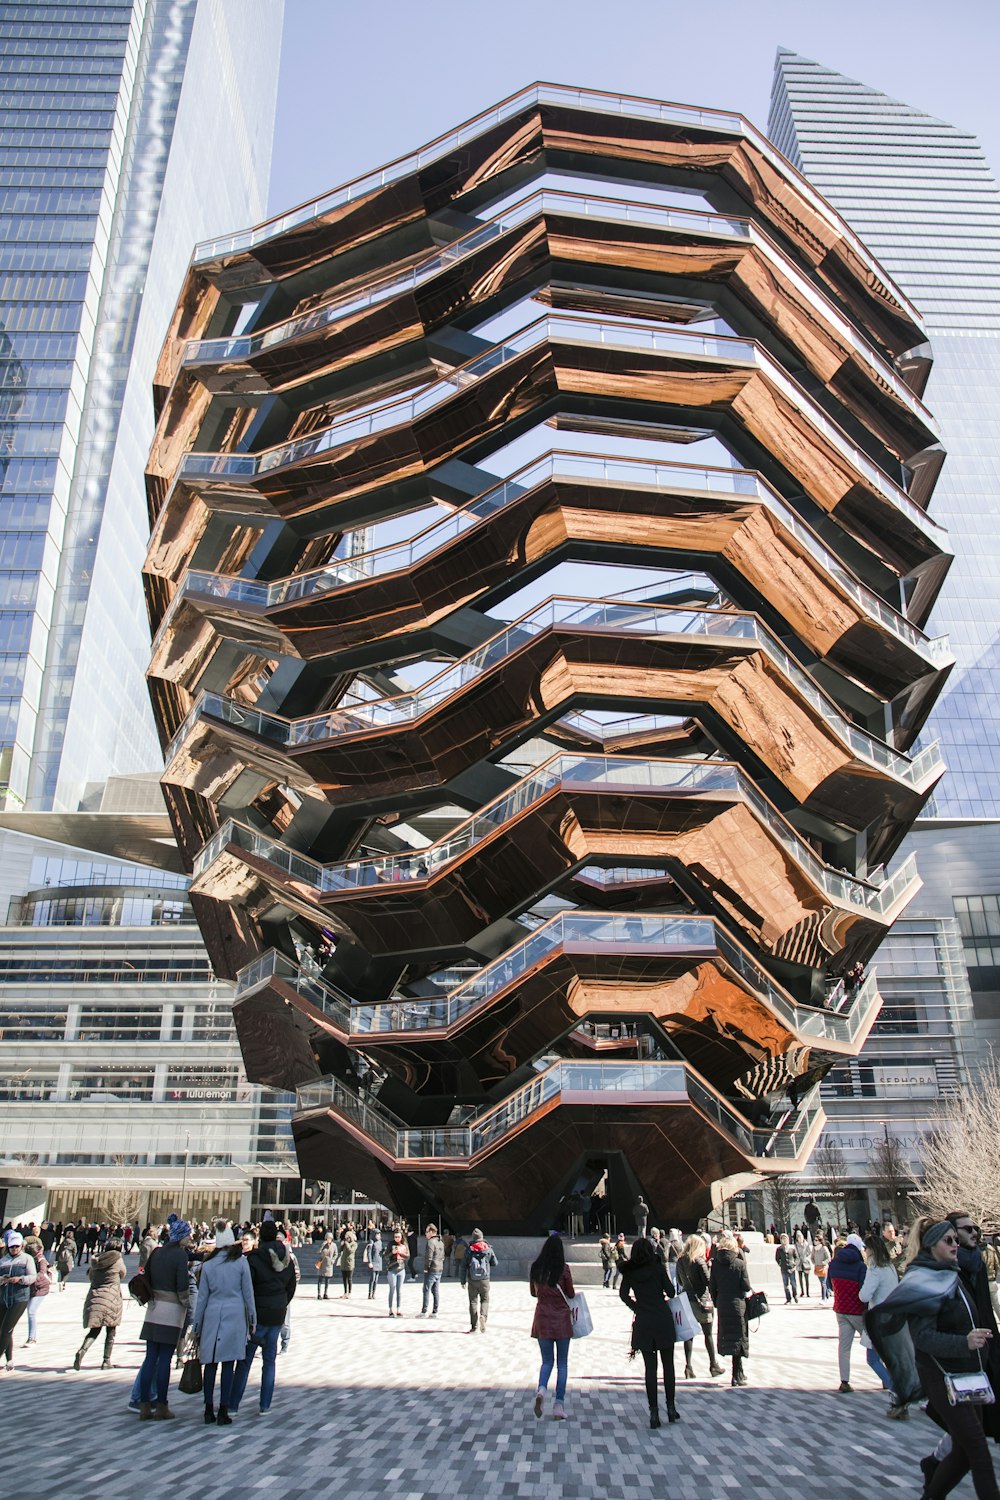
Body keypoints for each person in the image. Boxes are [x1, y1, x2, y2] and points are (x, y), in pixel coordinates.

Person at [869, 1218, 1000, 1500]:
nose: (956, 1245)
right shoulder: (924, 1280)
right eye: (949, 1240)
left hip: (968, 1376)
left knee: (966, 1453)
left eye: (956, 1238)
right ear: (931, 1245)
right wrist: (964, 1342)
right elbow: (924, 1338)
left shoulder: (952, 1274)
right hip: (943, 1377)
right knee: (977, 1449)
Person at [228, 1221, 295, 1415]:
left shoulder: (254, 1259)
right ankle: (265, 1404)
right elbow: (291, 1286)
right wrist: (281, 1302)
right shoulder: (287, 1258)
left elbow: (246, 1287)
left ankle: (233, 1405)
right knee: (270, 1360)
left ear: (260, 1237)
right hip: (277, 1313)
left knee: (245, 1360)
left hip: (257, 1314)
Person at [192, 1235, 256, 1425]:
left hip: (212, 1313)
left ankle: (208, 1408)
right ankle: (224, 1408)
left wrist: (197, 1325)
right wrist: (252, 1319)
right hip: (234, 1313)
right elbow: (248, 1293)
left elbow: (202, 1297)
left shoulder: (208, 1265)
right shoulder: (241, 1262)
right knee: (228, 1364)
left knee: (210, 1363)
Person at [619, 1234, 679, 1426]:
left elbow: (623, 1294)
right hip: (662, 1319)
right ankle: (670, 1408)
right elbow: (671, 1292)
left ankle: (653, 1413)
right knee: (668, 1366)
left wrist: (637, 1307)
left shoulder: (630, 1272)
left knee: (650, 1369)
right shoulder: (658, 1267)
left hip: (644, 1321)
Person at [137, 1218, 192, 1419]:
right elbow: (182, 1286)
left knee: (151, 1357)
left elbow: (147, 1276)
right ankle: (161, 1405)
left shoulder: (158, 1252)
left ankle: (144, 1404)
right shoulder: (180, 1256)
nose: (189, 1238)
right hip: (171, 1310)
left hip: (154, 1308)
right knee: (165, 1359)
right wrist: (188, 1304)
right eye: (187, 1234)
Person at [530, 1233, 575, 1421]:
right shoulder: (563, 1269)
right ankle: (558, 1405)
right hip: (562, 1320)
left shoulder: (536, 1268)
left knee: (547, 1361)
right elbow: (571, 1294)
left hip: (542, 1320)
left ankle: (541, 1389)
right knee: (562, 1364)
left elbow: (533, 1293)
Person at [858, 1232, 903, 1416]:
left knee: (873, 1358)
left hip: (878, 1318)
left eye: (866, 1248)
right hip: (893, 1316)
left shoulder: (874, 1268)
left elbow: (864, 1295)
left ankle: (896, 1391)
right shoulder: (890, 1267)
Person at [73, 1233, 127, 1370]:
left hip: (95, 1296)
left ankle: (82, 1350)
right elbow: (123, 1274)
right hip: (111, 1298)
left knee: (94, 1330)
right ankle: (106, 1360)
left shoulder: (96, 1261)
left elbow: (91, 1276)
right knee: (111, 1330)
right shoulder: (118, 1260)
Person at [675, 1233, 724, 1378]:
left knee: (688, 1335)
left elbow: (679, 1281)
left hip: (686, 1300)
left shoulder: (680, 1261)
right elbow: (708, 1281)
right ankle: (713, 1365)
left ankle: (688, 1367)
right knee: (708, 1334)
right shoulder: (700, 1261)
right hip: (702, 1301)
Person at [708, 1231, 751, 1387]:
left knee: (730, 1337)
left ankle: (739, 1372)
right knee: (739, 1337)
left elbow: (712, 1286)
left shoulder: (715, 1265)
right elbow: (746, 1286)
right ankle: (736, 1375)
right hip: (738, 1304)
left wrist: (716, 1301)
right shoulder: (739, 1264)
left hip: (723, 1304)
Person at [829, 1231, 868, 1392]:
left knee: (844, 1347)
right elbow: (864, 1291)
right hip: (857, 1311)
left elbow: (830, 1286)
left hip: (841, 1309)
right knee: (873, 1344)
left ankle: (844, 1380)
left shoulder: (834, 1263)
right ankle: (886, 1377)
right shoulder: (860, 1266)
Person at [0, 1230, 37, 1372]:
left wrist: (20, 1279)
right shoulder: (3, 1260)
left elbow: (33, 1276)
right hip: (3, 1298)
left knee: (6, 1329)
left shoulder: (26, 1259)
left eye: (17, 1246)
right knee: (3, 1330)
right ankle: (9, 1360)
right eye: (12, 1247)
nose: (14, 1249)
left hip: (19, 1297)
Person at [461, 1227, 498, 1333]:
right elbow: (495, 1263)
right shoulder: (488, 1248)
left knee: (473, 1302)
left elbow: (463, 1266)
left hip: (472, 1280)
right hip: (485, 1279)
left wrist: (463, 1281)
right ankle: (483, 1316)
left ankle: (474, 1326)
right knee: (485, 1300)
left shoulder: (469, 1250)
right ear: (482, 1237)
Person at [21, 1230, 49, 1346]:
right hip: (31, 1288)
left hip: (40, 1289)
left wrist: (30, 1278)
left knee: (31, 1311)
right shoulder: (28, 1259)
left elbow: (42, 1273)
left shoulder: (41, 1260)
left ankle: (32, 1338)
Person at [420, 1223, 444, 1317]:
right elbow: (442, 1256)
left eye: (426, 1232)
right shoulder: (440, 1242)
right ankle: (435, 1311)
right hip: (439, 1268)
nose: (425, 1234)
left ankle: (424, 1311)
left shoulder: (431, 1242)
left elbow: (429, 1257)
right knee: (436, 1290)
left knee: (426, 1289)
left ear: (431, 1232)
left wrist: (426, 1268)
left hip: (432, 1269)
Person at [386, 1228, 408, 1316]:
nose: (397, 1238)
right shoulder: (390, 1244)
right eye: (395, 1237)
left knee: (399, 1290)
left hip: (401, 1269)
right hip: (392, 1269)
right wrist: (392, 1252)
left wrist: (400, 1252)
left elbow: (407, 1256)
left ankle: (399, 1309)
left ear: (401, 1237)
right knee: (392, 1288)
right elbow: (386, 1256)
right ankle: (390, 1309)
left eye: (398, 1237)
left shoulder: (404, 1244)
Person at [776, 1233, 798, 1304]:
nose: (784, 1240)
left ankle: (795, 1295)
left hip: (792, 1268)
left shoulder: (792, 1248)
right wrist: (780, 1264)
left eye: (785, 1239)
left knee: (793, 1284)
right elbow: (777, 1258)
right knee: (786, 1285)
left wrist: (794, 1264)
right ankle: (788, 1299)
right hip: (784, 1269)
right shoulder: (779, 1249)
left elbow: (796, 1257)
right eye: (783, 1239)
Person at [363, 1230, 383, 1299]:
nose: (378, 1236)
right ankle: (370, 1293)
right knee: (373, 1278)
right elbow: (369, 1252)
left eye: (379, 1234)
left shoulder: (380, 1242)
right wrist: (370, 1262)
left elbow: (380, 1251)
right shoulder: (371, 1242)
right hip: (373, 1262)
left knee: (376, 1279)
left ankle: (374, 1293)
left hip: (379, 1261)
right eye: (377, 1234)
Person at [338, 1225, 357, 1297]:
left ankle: (349, 1292)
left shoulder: (354, 1244)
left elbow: (351, 1251)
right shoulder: (344, 1243)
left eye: (348, 1237)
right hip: (343, 1263)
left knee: (349, 1279)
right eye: (346, 1237)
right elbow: (339, 1250)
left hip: (350, 1263)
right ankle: (345, 1292)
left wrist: (347, 1245)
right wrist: (342, 1245)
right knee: (344, 1279)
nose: (347, 1239)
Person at [315, 1235, 335, 1299]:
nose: (328, 1239)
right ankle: (319, 1294)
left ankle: (325, 1293)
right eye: (327, 1238)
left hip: (329, 1264)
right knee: (320, 1279)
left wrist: (333, 1260)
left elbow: (336, 1253)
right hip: (322, 1264)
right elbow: (318, 1252)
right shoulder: (323, 1245)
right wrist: (322, 1246)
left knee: (327, 1280)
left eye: (329, 1238)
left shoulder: (334, 1245)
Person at [794, 1230, 813, 1298]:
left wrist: (806, 1258)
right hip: (799, 1263)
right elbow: (795, 1253)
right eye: (798, 1237)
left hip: (805, 1262)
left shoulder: (806, 1244)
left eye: (801, 1237)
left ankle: (807, 1292)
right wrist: (797, 1259)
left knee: (806, 1279)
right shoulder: (796, 1245)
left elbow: (810, 1252)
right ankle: (802, 1292)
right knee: (800, 1278)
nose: (800, 1238)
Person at [813, 1234, 832, 1300]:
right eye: (814, 1240)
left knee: (823, 1283)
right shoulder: (814, 1248)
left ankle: (823, 1298)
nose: (815, 1241)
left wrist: (824, 1263)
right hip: (817, 1267)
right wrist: (814, 1262)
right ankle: (827, 1294)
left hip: (824, 1267)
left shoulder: (824, 1248)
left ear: (820, 1241)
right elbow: (812, 1257)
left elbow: (829, 1258)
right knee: (822, 1282)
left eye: (816, 1240)